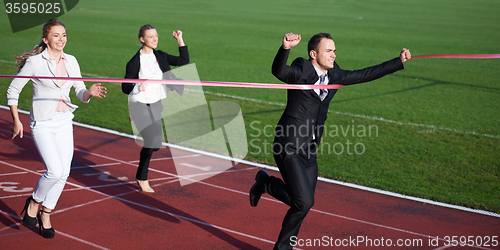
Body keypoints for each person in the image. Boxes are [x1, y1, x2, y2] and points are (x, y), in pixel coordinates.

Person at [249, 32, 411, 249]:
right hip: (288, 145)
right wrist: (285, 48)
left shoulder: (335, 74)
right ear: (313, 54)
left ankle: (281, 244)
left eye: (334, 50)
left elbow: (365, 74)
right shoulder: (302, 69)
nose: (334, 54)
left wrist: (397, 61)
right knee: (304, 201)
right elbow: (279, 71)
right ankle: (267, 184)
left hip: (309, 149)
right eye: (329, 50)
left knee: (303, 205)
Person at [7, 19, 107, 239]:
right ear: (46, 39)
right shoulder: (35, 62)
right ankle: (33, 202)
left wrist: (89, 92)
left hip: (64, 121)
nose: (61, 39)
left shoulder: (71, 60)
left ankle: (46, 212)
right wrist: (16, 120)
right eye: (56, 35)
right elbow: (13, 90)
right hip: (42, 122)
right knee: (54, 171)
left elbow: (80, 92)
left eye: (63, 35)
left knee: (65, 172)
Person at [122, 24, 189, 193]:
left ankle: (141, 175)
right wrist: (138, 87)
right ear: (142, 39)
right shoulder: (134, 62)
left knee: (156, 144)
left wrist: (179, 39)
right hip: (139, 104)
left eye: (156, 36)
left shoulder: (160, 56)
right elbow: (125, 87)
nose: (155, 39)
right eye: (151, 37)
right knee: (151, 140)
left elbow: (183, 61)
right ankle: (142, 178)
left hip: (156, 103)